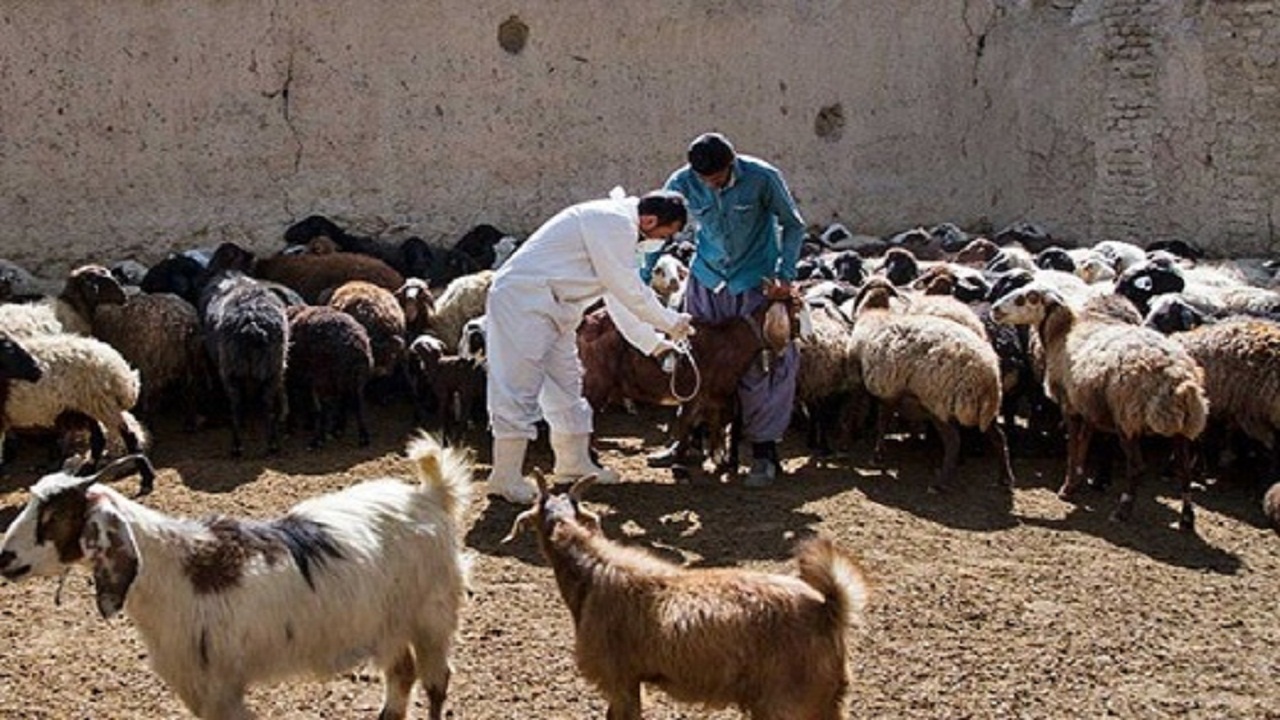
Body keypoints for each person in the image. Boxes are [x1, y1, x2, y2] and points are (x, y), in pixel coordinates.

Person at [485, 188, 694, 504]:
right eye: (666, 233)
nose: (664, 241)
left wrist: (656, 344)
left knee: (568, 384)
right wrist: (670, 321)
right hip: (524, 302)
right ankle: (505, 477)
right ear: (649, 220)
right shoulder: (610, 223)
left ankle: (572, 464)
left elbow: (619, 300)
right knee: (518, 387)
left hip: (556, 309)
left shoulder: (620, 234)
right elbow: (629, 289)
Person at [653, 132, 806, 487]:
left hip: (755, 283)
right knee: (694, 357)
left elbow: (793, 225)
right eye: (705, 179)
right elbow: (658, 230)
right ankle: (686, 441)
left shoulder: (762, 177)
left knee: (762, 363)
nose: (712, 184)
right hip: (707, 280)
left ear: (732, 162)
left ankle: (764, 452)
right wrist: (638, 280)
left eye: (718, 176)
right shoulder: (681, 182)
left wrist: (784, 276)